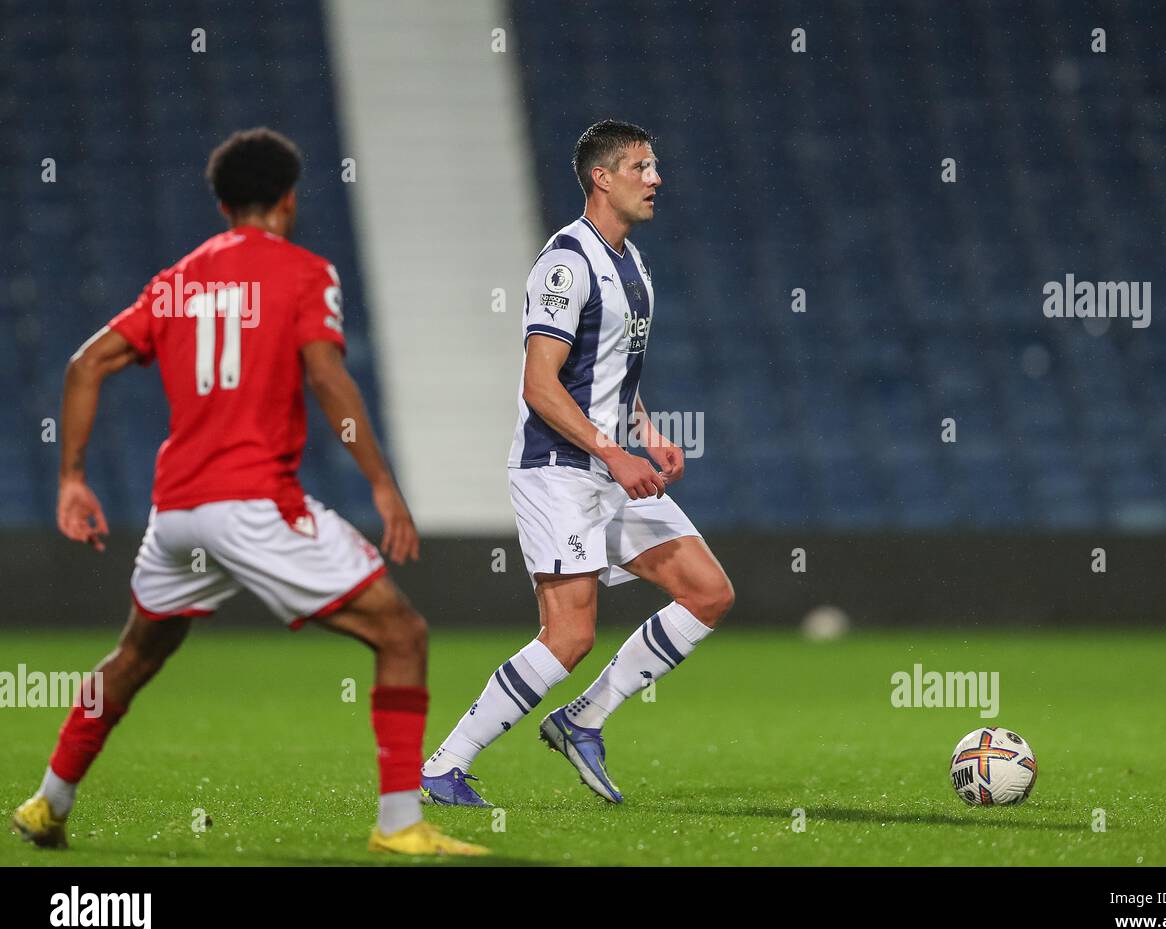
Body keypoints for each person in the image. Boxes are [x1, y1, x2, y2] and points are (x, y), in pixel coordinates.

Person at [10, 128, 485, 857]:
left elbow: (83, 366)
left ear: (225, 203)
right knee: (402, 634)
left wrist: (71, 478)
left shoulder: (173, 282)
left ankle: (48, 802)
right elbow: (327, 377)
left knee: (133, 658)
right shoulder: (303, 273)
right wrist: (384, 487)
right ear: (289, 200)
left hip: (175, 515)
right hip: (254, 505)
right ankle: (400, 825)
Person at [420, 120, 734, 807]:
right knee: (570, 635)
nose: (657, 179)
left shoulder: (633, 264)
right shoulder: (567, 262)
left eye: (655, 167)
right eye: (643, 167)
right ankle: (444, 765)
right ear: (603, 177)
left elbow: (613, 368)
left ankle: (583, 719)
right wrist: (614, 450)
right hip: (558, 469)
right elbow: (539, 383)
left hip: (611, 463)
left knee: (707, 592)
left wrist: (646, 430)